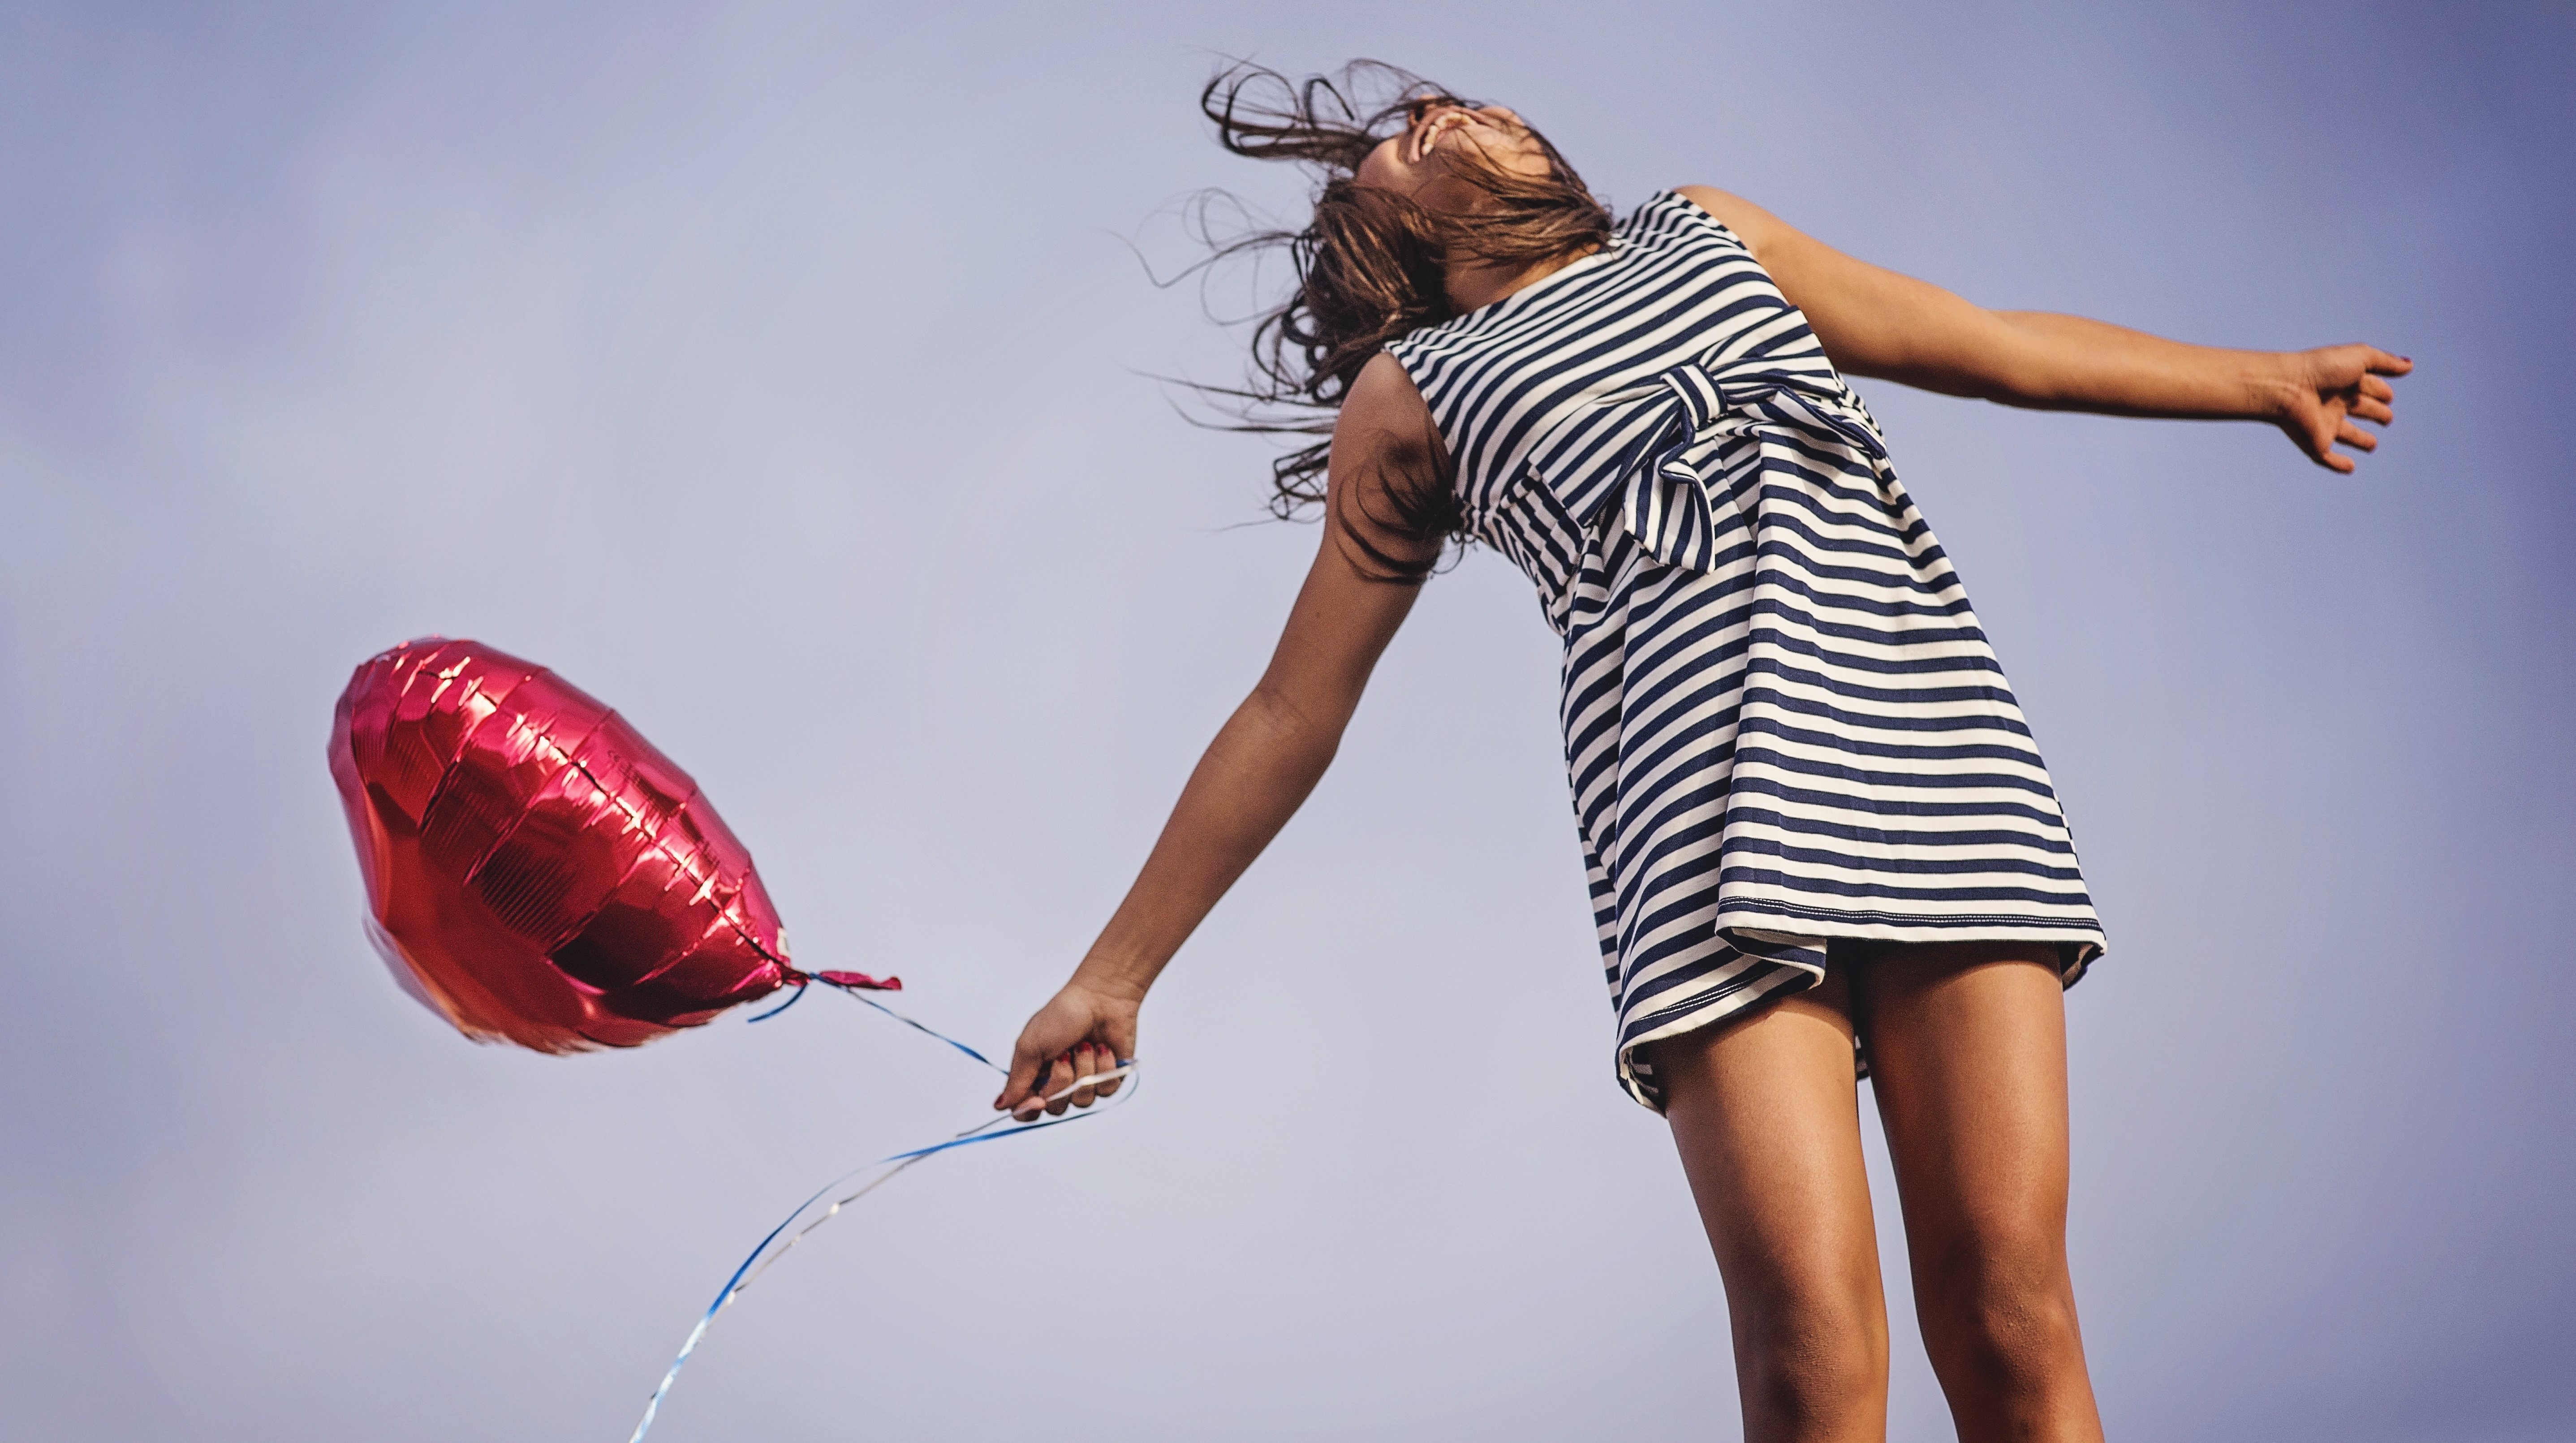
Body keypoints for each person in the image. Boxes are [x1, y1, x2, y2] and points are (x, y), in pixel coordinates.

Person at [992, 62, 2406, 1443]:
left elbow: (1991, 344)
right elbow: (1293, 710)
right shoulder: (1413, 395)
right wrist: (1111, 977)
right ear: (1391, 237)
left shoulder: (1708, 232)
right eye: (1415, 140)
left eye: (1457, 103)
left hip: (1928, 755)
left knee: (2011, 1310)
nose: (1449, 116)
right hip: (1694, 837)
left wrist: (2263, 379)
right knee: (1808, 1353)